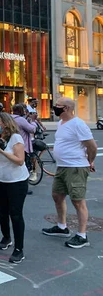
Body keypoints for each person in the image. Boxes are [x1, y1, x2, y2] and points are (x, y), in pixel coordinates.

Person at [42, 97, 97, 248]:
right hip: (62, 166)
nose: (55, 108)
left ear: (66, 108)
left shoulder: (78, 124)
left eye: (57, 106)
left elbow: (92, 146)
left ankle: (82, 235)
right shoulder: (61, 123)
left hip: (76, 167)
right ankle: (62, 227)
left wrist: (90, 161)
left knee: (78, 200)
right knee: (57, 196)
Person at [0, 112, 29, 263]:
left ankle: (19, 249)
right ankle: (6, 237)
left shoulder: (15, 138)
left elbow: (20, 160)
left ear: (5, 124)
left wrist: (0, 151)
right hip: (0, 180)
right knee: (2, 212)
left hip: (17, 181)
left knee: (16, 214)